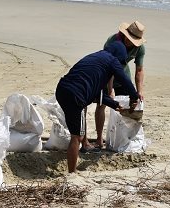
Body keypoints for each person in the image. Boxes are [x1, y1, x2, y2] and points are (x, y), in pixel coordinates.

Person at [55, 41, 139, 173]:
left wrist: (115, 105)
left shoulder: (96, 58)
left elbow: (97, 94)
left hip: (62, 90)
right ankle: (72, 173)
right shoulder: (113, 60)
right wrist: (134, 96)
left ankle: (81, 152)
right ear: (119, 56)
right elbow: (124, 80)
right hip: (76, 96)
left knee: (76, 131)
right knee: (77, 136)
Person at [92, 21, 146, 149]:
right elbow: (107, 65)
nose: (133, 43)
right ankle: (99, 139)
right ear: (126, 36)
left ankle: (123, 139)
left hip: (123, 76)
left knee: (128, 106)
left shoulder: (139, 48)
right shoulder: (113, 41)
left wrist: (139, 91)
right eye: (131, 40)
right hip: (106, 74)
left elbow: (139, 70)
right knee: (102, 104)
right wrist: (110, 90)